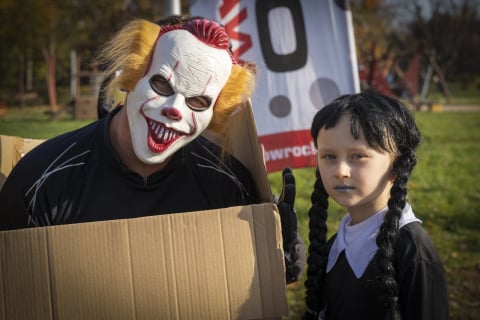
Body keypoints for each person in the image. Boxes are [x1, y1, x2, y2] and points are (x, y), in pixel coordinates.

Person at [0, 16, 302, 283]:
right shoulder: (40, 179)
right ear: (133, 74)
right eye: (162, 85)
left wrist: (275, 254)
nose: (174, 110)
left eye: (198, 101)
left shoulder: (229, 186)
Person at [302, 90, 449, 319]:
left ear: (397, 164)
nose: (340, 171)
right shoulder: (333, 246)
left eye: (357, 156)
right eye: (329, 156)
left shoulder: (412, 251)